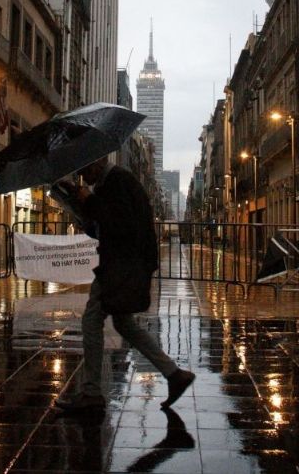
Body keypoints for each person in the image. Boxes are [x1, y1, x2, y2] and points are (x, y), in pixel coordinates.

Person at [55, 156, 195, 413]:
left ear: (97, 163)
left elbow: (120, 225)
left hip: (122, 265)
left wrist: (90, 201)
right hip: (122, 264)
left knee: (92, 319)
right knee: (123, 322)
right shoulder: (112, 184)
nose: (85, 178)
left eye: (85, 170)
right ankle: (174, 374)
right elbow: (101, 226)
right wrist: (78, 200)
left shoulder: (119, 182)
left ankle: (91, 393)